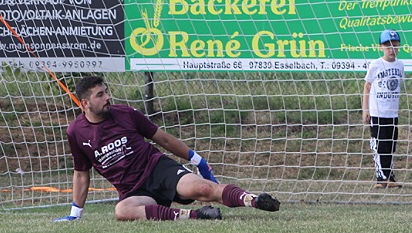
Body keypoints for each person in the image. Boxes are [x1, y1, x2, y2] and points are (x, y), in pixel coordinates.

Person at [55, 75, 280, 222]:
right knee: (122, 211)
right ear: (85, 103)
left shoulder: (126, 113)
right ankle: (197, 216)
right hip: (133, 191)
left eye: (106, 91)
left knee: (204, 188)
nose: (107, 97)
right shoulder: (76, 132)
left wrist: (197, 160)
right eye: (100, 95)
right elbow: (81, 173)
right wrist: (75, 213)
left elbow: (164, 139)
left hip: (159, 170)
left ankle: (253, 200)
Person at [363, 29, 405, 188]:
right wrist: (366, 109)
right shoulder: (376, 65)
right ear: (380, 47)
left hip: (392, 113)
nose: (391, 49)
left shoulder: (400, 65)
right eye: (388, 46)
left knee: (390, 145)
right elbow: (367, 87)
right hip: (377, 112)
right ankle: (381, 178)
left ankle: (390, 176)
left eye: (395, 45)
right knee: (379, 145)